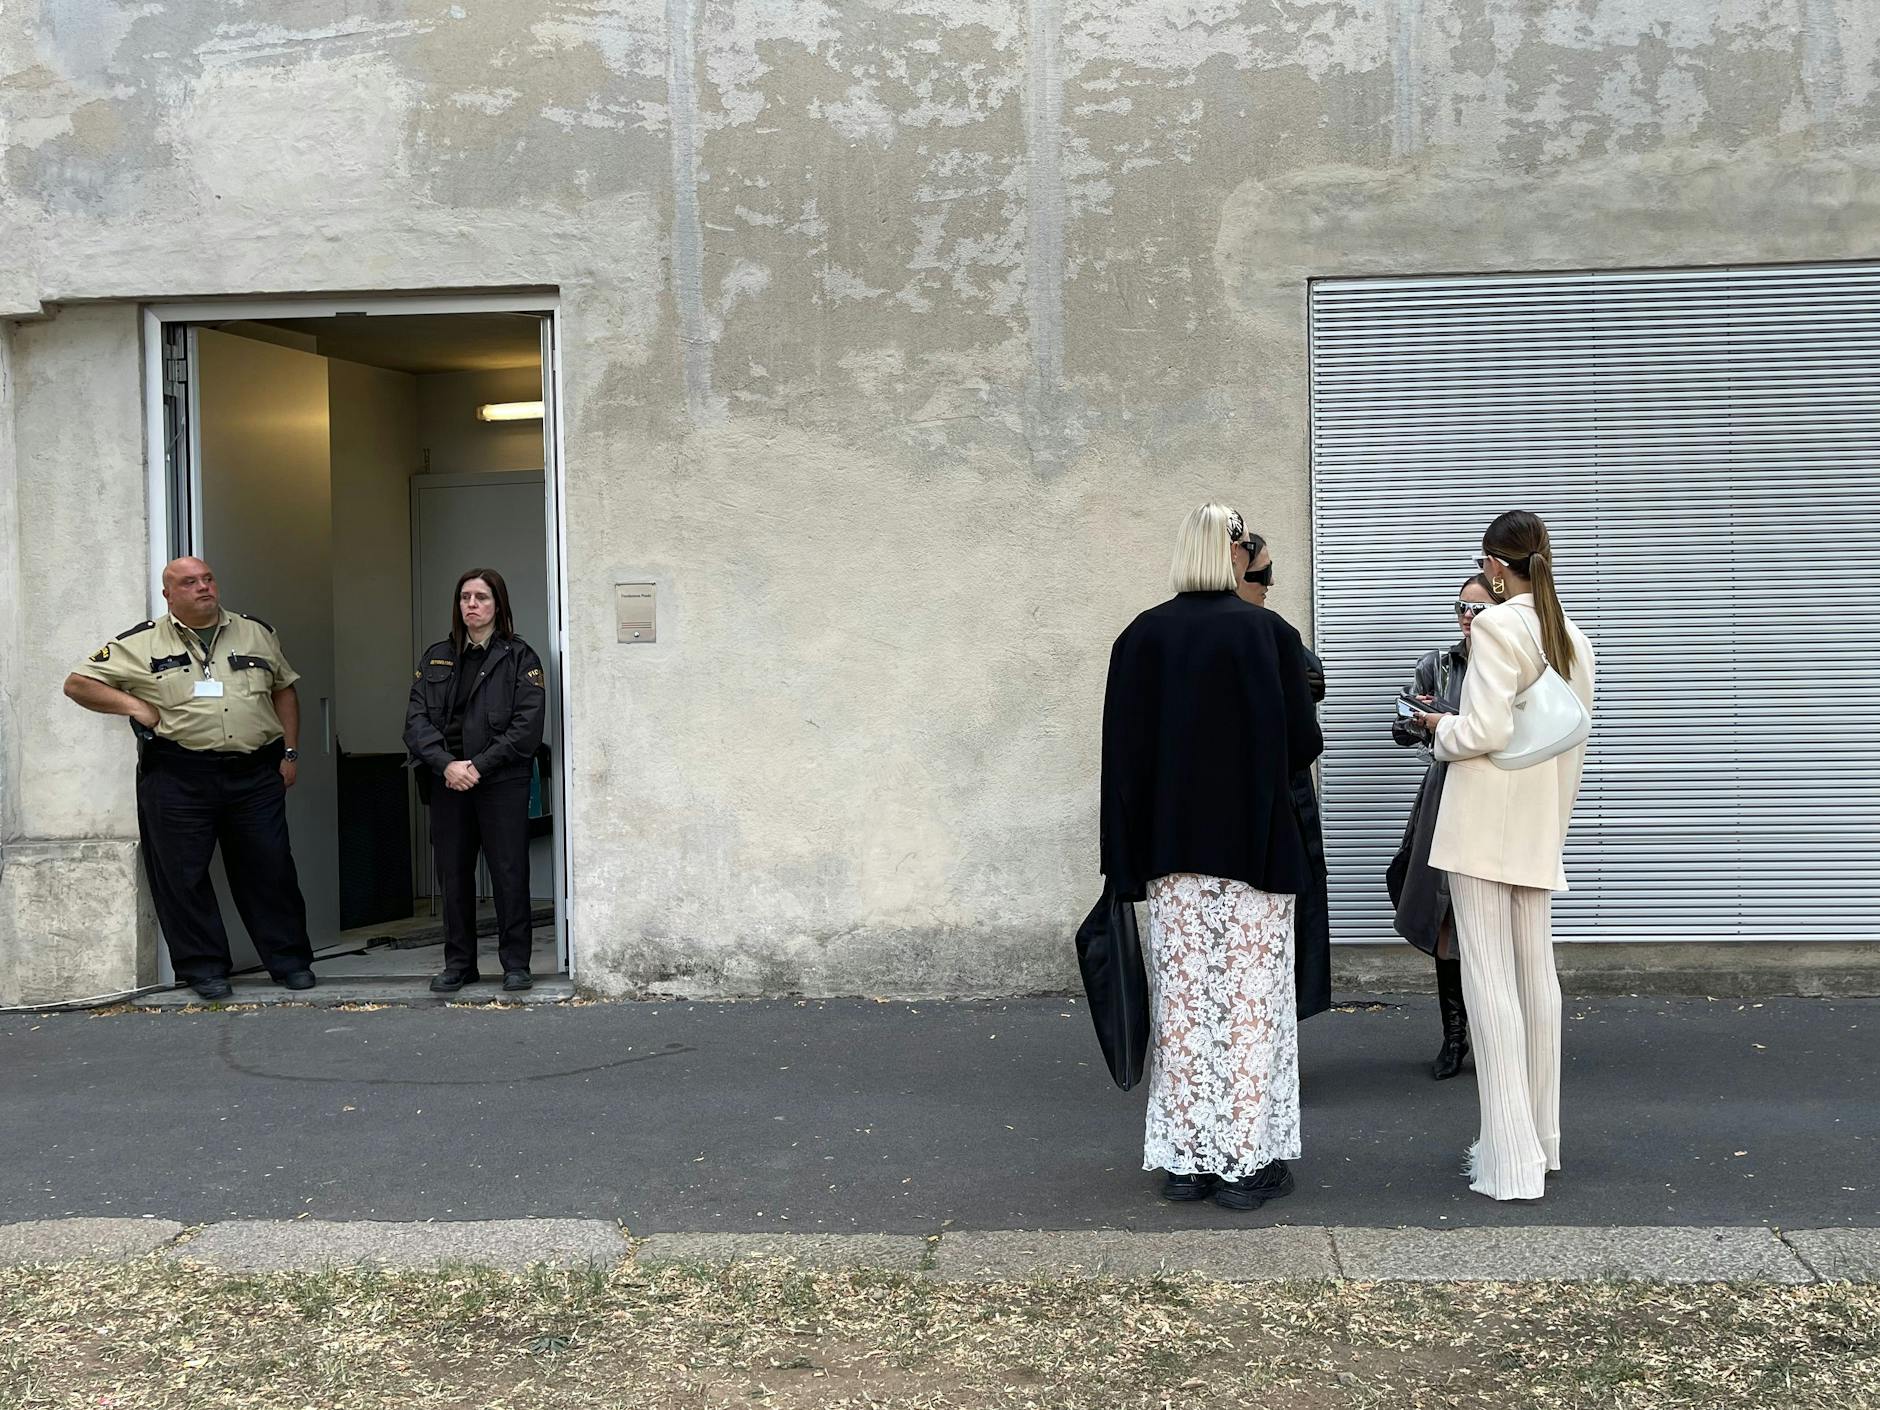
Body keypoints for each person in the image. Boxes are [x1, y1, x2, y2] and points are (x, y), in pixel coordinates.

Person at [1102, 504, 1323, 1210]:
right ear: (1234, 556)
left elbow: (1121, 762)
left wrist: (1121, 864)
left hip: (1170, 859)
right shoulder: (1269, 634)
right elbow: (1303, 744)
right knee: (1251, 1009)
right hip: (1254, 851)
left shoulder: (1140, 638)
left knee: (1186, 1008)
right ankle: (1245, 1164)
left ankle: (1187, 1162)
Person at [1412, 511, 1594, 1201]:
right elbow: (1568, 741)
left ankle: (1510, 1162)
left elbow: (1482, 731)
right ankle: (1541, 1144)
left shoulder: (1494, 627)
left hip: (1484, 824)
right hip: (1538, 825)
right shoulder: (1572, 636)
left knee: (1489, 983)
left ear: (1494, 565)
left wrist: (1438, 726)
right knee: (1535, 980)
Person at [62, 557, 316, 1001]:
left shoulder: (256, 631)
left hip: (254, 771)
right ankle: (204, 970)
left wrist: (290, 752)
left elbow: (284, 689)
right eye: (189, 582)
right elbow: (78, 684)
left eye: (207, 578)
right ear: (169, 594)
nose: (203, 587)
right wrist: (137, 708)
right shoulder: (140, 642)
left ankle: (289, 961)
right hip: (179, 773)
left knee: (270, 866)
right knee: (183, 875)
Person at [405, 568, 546, 993]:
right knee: (454, 876)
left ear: (498, 605)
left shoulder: (521, 658)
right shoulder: (435, 657)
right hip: (448, 781)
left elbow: (526, 728)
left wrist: (478, 766)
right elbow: (415, 722)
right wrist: (447, 765)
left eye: (481, 598)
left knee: (508, 873)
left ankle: (515, 964)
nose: (471, 605)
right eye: (465, 597)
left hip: (501, 780)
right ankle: (460, 964)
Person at [1388, 573, 1497, 1079]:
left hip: (1493, 799)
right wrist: (1419, 718)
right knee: (1443, 915)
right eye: (1461, 607)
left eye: (1479, 609)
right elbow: (1402, 730)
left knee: (1492, 918)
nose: (1467, 618)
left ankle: (1497, 1034)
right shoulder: (1437, 663)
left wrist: (1446, 719)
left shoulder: (1505, 666)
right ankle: (1454, 1038)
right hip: (1442, 795)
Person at [1233, 530, 1331, 1021]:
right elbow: (1305, 737)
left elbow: (1312, 678)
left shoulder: (1274, 630)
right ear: (1233, 566)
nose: (1268, 582)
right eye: (1261, 572)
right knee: (1273, 927)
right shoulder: (1266, 633)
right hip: (1272, 801)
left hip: (1267, 800)